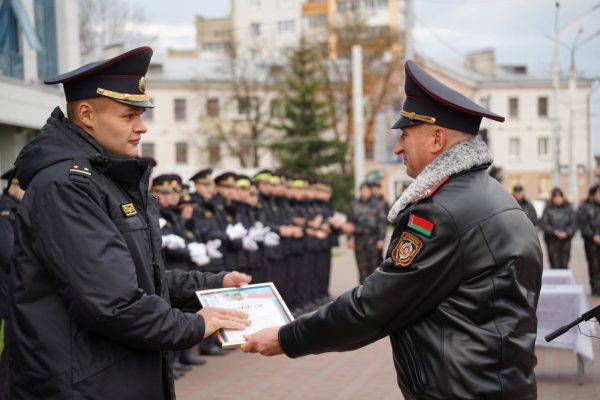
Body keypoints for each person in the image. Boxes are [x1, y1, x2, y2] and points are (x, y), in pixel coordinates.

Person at [242, 60, 543, 400]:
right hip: (496, 383)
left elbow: (373, 306)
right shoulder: (495, 197)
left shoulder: (440, 211)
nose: (398, 148)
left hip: (464, 390)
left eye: (405, 135)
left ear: (437, 139)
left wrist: (286, 337)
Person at [8, 47, 251, 400]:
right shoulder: (67, 186)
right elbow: (112, 302)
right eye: (129, 116)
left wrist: (212, 284)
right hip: (83, 385)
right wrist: (197, 324)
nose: (142, 126)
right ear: (87, 114)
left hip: (111, 375)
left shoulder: (105, 178)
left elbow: (138, 278)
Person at [0, 168, 25, 395]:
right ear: (13, 187)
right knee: (10, 351)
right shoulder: (6, 211)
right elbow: (9, 253)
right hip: (10, 291)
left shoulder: (19, 209)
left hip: (17, 290)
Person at [346, 182, 386, 284]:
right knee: (362, 268)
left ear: (370, 190)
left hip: (373, 239)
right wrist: (349, 238)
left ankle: (375, 291)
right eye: (362, 189)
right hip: (359, 240)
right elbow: (349, 222)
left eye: (366, 189)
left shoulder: (377, 204)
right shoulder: (354, 205)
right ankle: (362, 291)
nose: (364, 191)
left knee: (375, 267)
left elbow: (382, 222)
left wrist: (381, 239)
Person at [540, 187, 577, 269]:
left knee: (564, 263)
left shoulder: (569, 209)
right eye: (555, 197)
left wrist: (566, 232)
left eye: (559, 196)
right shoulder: (548, 209)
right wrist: (554, 231)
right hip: (552, 240)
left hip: (565, 240)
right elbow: (544, 223)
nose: (557, 199)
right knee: (554, 263)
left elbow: (574, 224)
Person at [579, 185, 600, 295]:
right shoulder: (585, 207)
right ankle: (596, 288)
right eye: (598, 193)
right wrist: (593, 236)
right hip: (591, 241)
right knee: (594, 265)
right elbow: (583, 224)